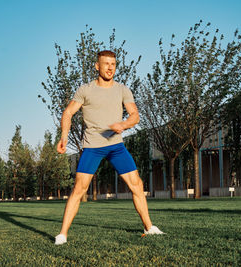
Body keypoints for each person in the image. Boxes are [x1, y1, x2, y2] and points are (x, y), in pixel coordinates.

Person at [55, 50, 164, 245]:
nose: (110, 68)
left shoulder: (122, 90)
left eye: (113, 64)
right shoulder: (85, 90)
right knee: (79, 189)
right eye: (105, 64)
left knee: (137, 185)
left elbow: (135, 115)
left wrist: (123, 125)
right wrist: (64, 137)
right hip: (92, 146)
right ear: (97, 66)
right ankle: (62, 234)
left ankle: (149, 227)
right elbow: (68, 113)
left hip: (116, 146)